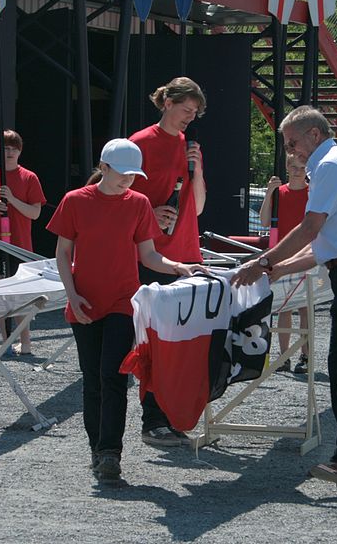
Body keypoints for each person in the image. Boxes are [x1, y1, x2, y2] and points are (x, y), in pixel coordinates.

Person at [232, 105, 337, 490]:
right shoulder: (330, 166)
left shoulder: (331, 166)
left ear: (314, 135)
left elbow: (310, 229)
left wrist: (265, 260)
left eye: (293, 142)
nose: (291, 151)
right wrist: (275, 269)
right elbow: (326, 244)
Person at [47, 138, 205, 481]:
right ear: (103, 168)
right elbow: (62, 253)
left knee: (113, 376)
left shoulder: (138, 203)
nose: (128, 181)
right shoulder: (75, 201)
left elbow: (148, 256)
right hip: (84, 300)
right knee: (92, 381)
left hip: (123, 301)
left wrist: (180, 267)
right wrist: (71, 296)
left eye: (133, 175)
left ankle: (109, 453)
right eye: (123, 174)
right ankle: (97, 449)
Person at [128, 76, 207, 448]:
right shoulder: (138, 144)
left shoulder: (190, 148)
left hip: (187, 252)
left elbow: (200, 206)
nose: (190, 118)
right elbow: (118, 197)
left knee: (181, 343)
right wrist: (150, 214)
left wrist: (198, 170)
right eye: (185, 110)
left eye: (195, 113)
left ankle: (169, 417)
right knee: (156, 343)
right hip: (152, 254)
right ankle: (153, 421)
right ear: (166, 102)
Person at [0, 130, 46, 355]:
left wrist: (13, 200)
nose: (9, 152)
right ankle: (6, 341)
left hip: (19, 244)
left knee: (21, 295)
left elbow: (35, 213)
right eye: (5, 148)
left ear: (20, 151)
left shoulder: (29, 177)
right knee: (0, 293)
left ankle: (25, 342)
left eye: (13, 148)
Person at [259, 155, 310, 373]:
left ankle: (305, 356)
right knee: (283, 306)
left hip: (305, 254)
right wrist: (269, 192)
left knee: (304, 306)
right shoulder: (279, 193)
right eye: (293, 166)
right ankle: (285, 355)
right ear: (287, 167)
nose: (297, 171)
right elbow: (263, 221)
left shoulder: (312, 192)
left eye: (301, 167)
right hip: (282, 254)